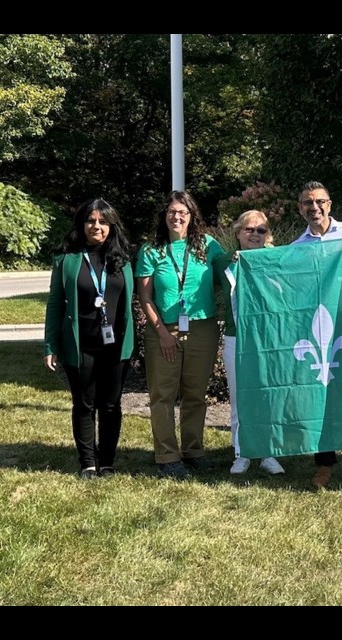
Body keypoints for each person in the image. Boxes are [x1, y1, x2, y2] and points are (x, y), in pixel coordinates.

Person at [291, 181, 342, 490]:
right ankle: (323, 463)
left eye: (319, 202)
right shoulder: (296, 248)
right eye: (307, 203)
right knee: (320, 395)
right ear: (300, 208)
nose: (314, 207)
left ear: (330, 203)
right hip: (317, 326)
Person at [44, 198, 134, 480]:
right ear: (82, 224)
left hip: (117, 344)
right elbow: (55, 304)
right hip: (80, 344)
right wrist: (51, 345)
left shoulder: (124, 259)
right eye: (91, 221)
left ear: (112, 226)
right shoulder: (66, 259)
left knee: (111, 404)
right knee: (84, 404)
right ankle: (88, 463)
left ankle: (107, 461)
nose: (97, 226)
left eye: (103, 221)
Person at [135, 191, 224, 479]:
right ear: (164, 216)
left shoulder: (207, 246)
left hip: (202, 328)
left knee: (196, 394)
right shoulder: (151, 250)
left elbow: (229, 275)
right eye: (172, 211)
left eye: (183, 212)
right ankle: (167, 456)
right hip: (164, 329)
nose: (177, 216)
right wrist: (161, 332)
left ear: (191, 216)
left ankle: (194, 450)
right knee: (162, 395)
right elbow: (145, 296)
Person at [215, 210, 286, 476]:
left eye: (261, 230)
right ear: (238, 233)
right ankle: (241, 452)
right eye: (249, 229)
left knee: (269, 395)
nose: (255, 234)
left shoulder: (276, 261)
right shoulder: (224, 261)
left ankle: (268, 452)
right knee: (239, 396)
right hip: (237, 337)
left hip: (267, 339)